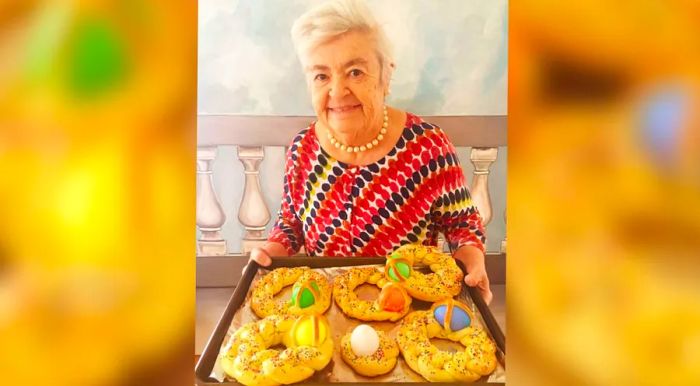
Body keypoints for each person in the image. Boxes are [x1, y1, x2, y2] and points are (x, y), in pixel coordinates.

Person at [247, 0, 492, 304]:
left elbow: (463, 224)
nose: (337, 91)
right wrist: (273, 250)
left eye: (355, 72)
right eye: (321, 76)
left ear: (385, 76)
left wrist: (471, 258)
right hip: (326, 310)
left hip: (409, 307)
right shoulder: (303, 148)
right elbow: (291, 224)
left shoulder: (428, 147)